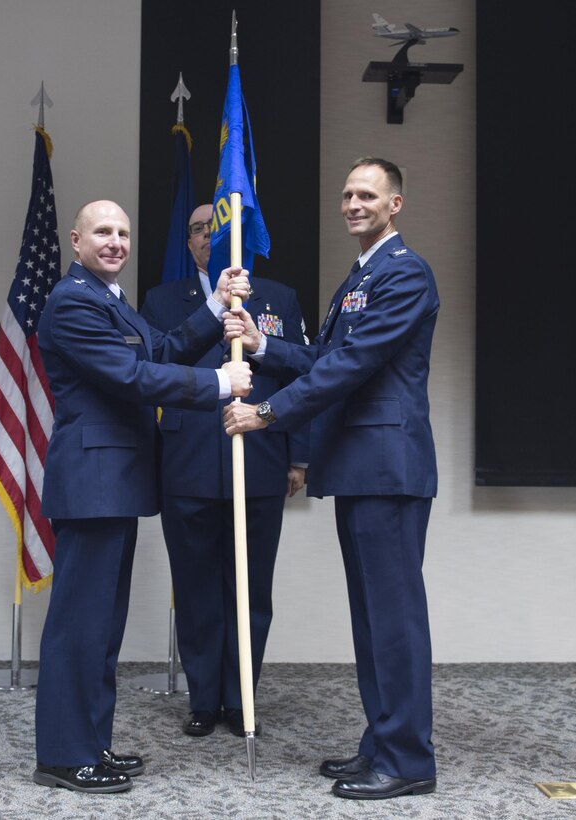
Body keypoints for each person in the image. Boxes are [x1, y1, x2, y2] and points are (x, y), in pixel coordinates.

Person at [222, 157, 439, 801]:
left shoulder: (405, 274)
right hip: (359, 467)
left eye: (367, 194)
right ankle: (382, 742)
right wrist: (262, 347)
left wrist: (267, 412)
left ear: (395, 204)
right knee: (372, 619)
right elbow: (323, 356)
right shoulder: (359, 278)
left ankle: (407, 759)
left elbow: (352, 366)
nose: (353, 203)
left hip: (388, 469)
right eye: (347, 193)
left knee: (393, 619)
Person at [33, 200, 252, 794]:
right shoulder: (72, 300)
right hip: (92, 483)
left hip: (115, 482)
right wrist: (217, 383)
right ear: (76, 240)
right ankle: (61, 755)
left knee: (102, 627)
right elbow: (130, 377)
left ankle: (89, 743)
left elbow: (158, 351)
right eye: (103, 232)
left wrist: (214, 304)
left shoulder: (109, 299)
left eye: (124, 232)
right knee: (80, 625)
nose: (116, 242)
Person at [140, 203, 310, 738]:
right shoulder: (163, 300)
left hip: (260, 458)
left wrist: (299, 454)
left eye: (219, 228)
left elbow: (302, 376)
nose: (209, 237)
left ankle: (242, 701)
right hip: (187, 461)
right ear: (189, 242)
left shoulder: (279, 298)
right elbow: (154, 371)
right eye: (198, 230)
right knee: (195, 589)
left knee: (252, 589)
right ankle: (204, 697)